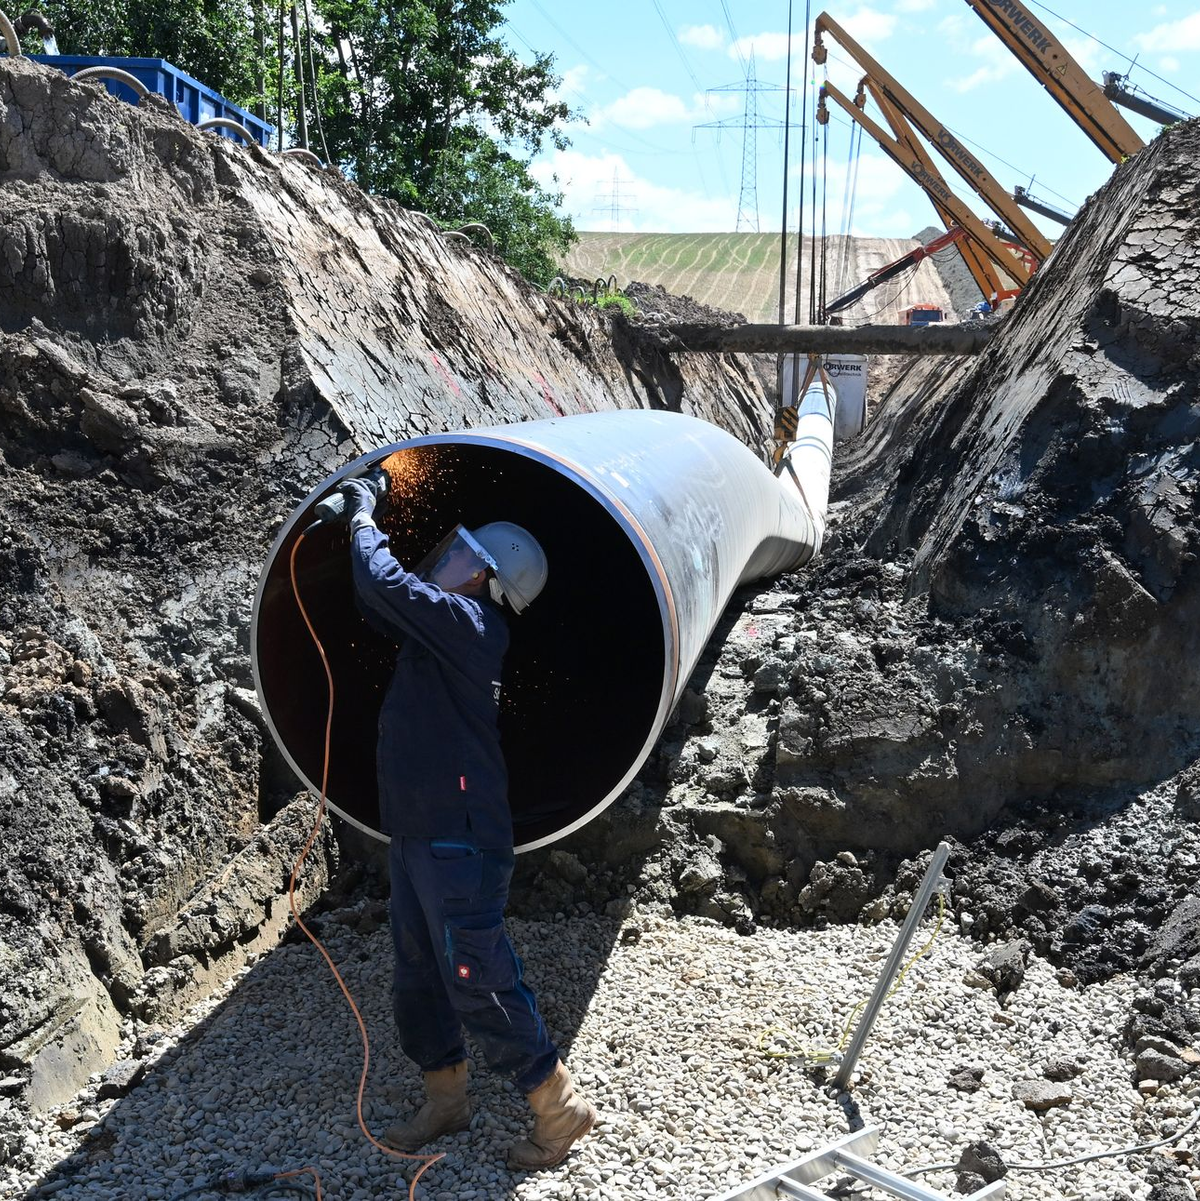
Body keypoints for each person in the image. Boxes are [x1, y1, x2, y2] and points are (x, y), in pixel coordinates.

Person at [338, 475, 596, 1171]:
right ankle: (446, 1097)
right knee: (419, 971)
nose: (447, 562)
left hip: (459, 836)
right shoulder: (442, 630)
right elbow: (375, 597)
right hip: (420, 829)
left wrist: (364, 515)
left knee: (474, 974)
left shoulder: (470, 625)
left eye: (460, 557)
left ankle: (559, 1108)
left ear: (484, 576)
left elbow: (384, 581)